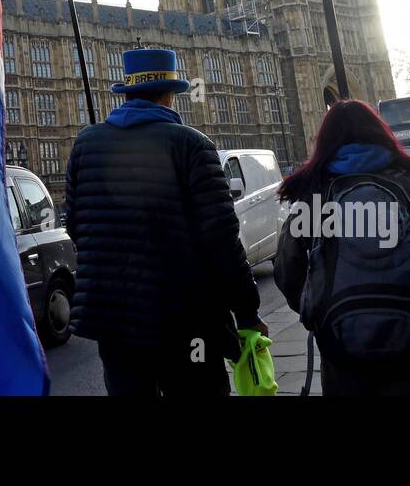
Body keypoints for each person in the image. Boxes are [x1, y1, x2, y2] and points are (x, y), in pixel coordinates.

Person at [63, 48, 268, 396]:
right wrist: (246, 311)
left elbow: (77, 227)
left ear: (125, 93)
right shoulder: (192, 145)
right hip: (186, 324)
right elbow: (221, 240)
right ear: (170, 95)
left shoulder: (85, 145)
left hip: (115, 324)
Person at [274, 100, 410, 396]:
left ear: (325, 142)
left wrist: (329, 311)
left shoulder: (313, 200)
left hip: (347, 363)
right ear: (380, 133)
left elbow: (288, 275)